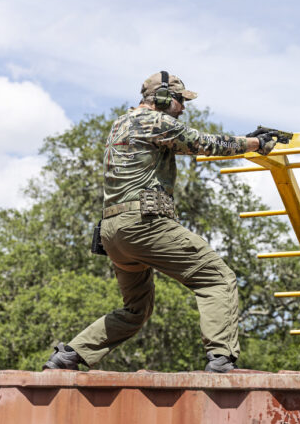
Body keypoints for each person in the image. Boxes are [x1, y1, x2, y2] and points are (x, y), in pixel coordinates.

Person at [43, 71, 277, 373]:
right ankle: (221, 360)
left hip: (113, 234)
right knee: (217, 278)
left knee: (135, 310)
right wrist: (255, 143)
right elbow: (204, 143)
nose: (183, 108)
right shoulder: (155, 121)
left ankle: (69, 355)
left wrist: (248, 140)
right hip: (144, 224)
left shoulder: (120, 124)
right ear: (165, 98)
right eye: (181, 101)